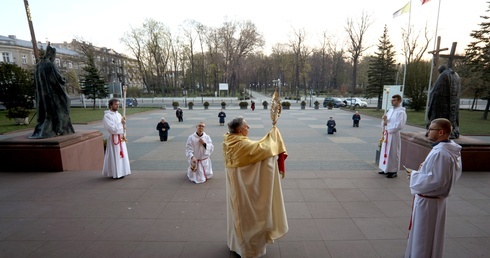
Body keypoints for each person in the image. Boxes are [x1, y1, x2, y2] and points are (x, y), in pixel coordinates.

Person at [223, 117, 288, 258]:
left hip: (236, 188)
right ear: (240, 130)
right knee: (248, 218)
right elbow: (264, 149)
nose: (249, 128)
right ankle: (249, 250)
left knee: (236, 214)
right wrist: (274, 137)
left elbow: (256, 150)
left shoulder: (228, 141)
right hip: (245, 192)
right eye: (247, 126)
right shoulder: (242, 145)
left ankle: (235, 244)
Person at [405, 118, 462, 258]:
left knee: (424, 237)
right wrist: (423, 171)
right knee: (430, 235)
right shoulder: (450, 149)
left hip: (429, 203)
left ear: (441, 132)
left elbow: (436, 180)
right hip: (437, 201)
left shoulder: (441, 153)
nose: (428, 132)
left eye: (431, 129)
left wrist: (414, 175)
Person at [30, 43, 75, 139]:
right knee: (64, 105)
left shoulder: (38, 66)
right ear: (51, 55)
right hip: (52, 94)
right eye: (54, 56)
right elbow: (58, 79)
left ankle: (44, 129)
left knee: (46, 112)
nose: (54, 58)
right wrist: (64, 79)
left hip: (42, 95)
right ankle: (59, 129)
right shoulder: (50, 65)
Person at [426, 65, 461, 139]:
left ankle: (439, 132)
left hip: (442, 103)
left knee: (439, 118)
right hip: (453, 103)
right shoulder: (456, 75)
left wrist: (431, 96)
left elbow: (436, 91)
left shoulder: (443, 75)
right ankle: (452, 130)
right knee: (451, 117)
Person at [378, 94, 407, 178]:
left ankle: (393, 170)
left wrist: (388, 125)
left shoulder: (401, 112)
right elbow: (385, 121)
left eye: (394, 100)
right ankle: (385, 168)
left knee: (393, 152)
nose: (392, 101)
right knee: (385, 151)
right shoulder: (390, 110)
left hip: (393, 135)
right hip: (387, 134)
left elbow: (399, 125)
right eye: (392, 100)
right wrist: (384, 121)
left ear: (399, 101)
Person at [102, 98, 131, 179]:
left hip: (120, 138)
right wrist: (121, 124)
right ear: (111, 105)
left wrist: (124, 127)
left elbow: (123, 127)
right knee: (115, 155)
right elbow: (112, 128)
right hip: (114, 138)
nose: (118, 106)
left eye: (118, 104)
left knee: (122, 155)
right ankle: (116, 173)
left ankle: (122, 171)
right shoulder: (107, 116)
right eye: (116, 104)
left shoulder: (118, 114)